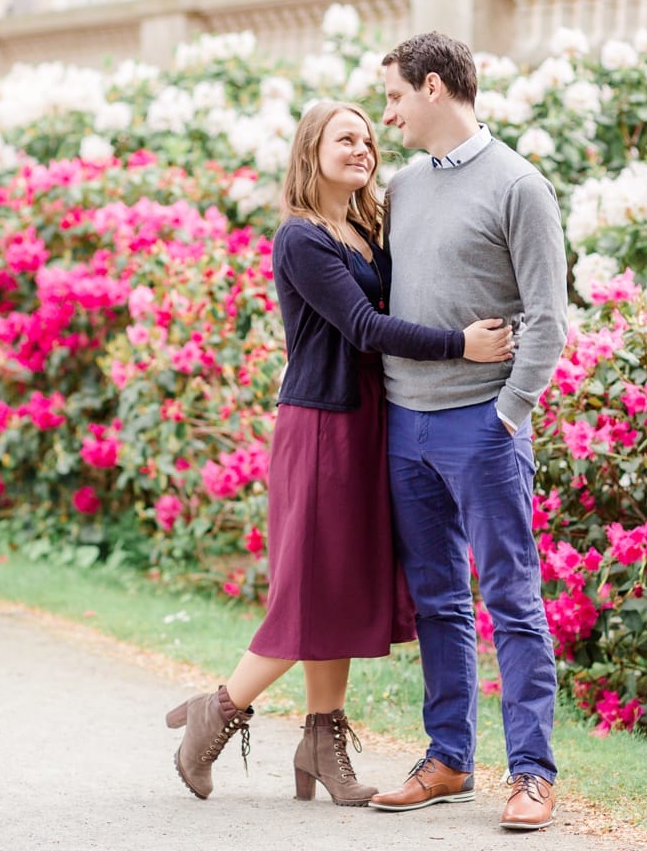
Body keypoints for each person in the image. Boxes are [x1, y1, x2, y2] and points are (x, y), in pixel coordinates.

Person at [164, 100, 514, 806]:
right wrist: (460, 345)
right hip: (321, 430)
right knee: (307, 590)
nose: (363, 148)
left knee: (339, 585)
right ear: (311, 150)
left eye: (368, 139)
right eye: (345, 138)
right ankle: (219, 710)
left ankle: (322, 741)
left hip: (367, 423)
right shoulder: (302, 238)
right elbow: (362, 326)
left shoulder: (363, 227)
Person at [367, 32, 569, 831]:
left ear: (435, 88)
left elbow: (549, 322)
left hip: (481, 428)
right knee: (440, 601)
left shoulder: (521, 186)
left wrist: (506, 416)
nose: (387, 115)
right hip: (404, 426)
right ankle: (449, 758)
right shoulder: (408, 187)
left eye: (393, 97)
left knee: (513, 601)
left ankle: (531, 775)